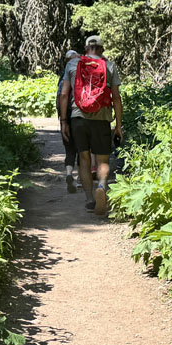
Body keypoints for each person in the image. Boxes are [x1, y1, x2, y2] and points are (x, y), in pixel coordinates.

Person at [58, 35, 123, 215]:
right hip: (102, 118)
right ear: (102, 50)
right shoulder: (109, 66)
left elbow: (64, 95)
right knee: (102, 159)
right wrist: (118, 124)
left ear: (85, 49)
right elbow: (116, 97)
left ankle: (89, 199)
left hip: (78, 118)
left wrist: (64, 121)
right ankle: (101, 186)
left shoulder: (72, 65)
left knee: (84, 158)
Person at [59, 50, 80, 193]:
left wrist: (63, 120)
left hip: (66, 115)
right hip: (79, 115)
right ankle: (79, 179)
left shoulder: (63, 78)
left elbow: (61, 96)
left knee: (69, 150)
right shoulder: (84, 75)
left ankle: (68, 174)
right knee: (82, 149)